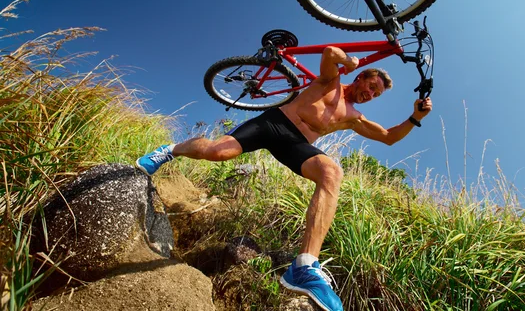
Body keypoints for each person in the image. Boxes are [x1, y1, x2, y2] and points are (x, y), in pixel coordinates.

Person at [136, 46, 432, 311]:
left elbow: (389, 137)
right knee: (218, 152)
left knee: (331, 172)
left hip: (295, 144)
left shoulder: (354, 117)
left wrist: (415, 117)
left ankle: (304, 267)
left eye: (376, 94)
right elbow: (330, 53)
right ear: (361, 77)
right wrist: (348, 60)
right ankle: (170, 150)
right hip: (273, 123)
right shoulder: (329, 81)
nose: (370, 94)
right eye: (371, 86)